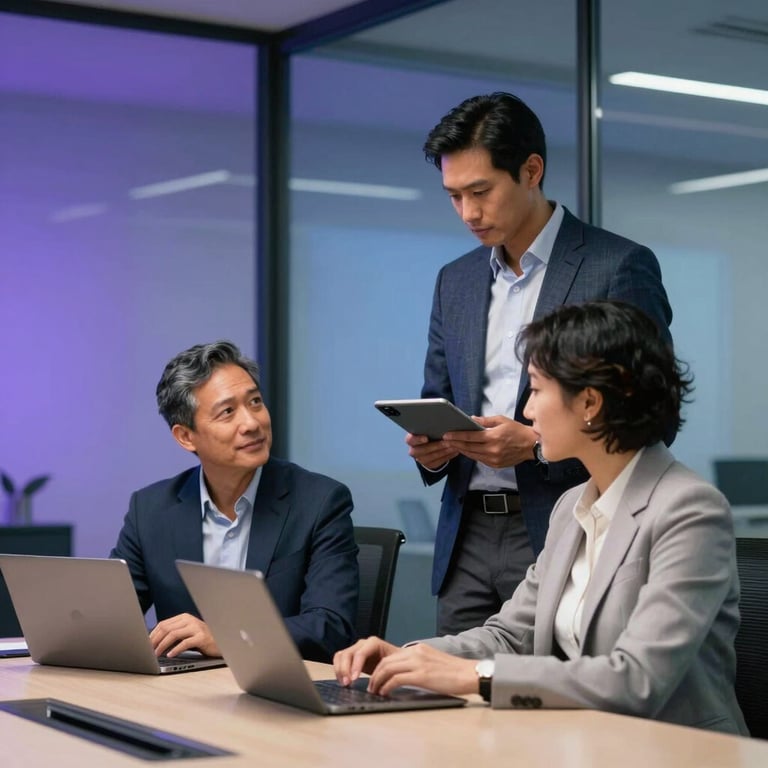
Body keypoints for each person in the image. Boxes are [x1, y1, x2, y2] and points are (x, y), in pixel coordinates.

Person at [335, 300, 747, 735]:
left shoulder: (690, 509)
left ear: (589, 401)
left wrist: (475, 677)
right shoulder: (571, 506)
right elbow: (511, 635)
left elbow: (637, 679)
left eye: (535, 389)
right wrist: (409, 656)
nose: (527, 412)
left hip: (678, 750)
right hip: (583, 742)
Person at [409, 92, 673, 634]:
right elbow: (439, 393)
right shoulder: (455, 280)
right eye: (454, 196)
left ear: (532, 170)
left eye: (480, 191)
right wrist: (432, 448)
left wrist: (532, 446)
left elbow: (653, 414)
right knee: (447, 705)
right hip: (466, 537)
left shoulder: (616, 266)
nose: (468, 213)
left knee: (552, 704)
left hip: (571, 522)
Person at [111, 340, 359, 663]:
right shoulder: (151, 510)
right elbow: (111, 620)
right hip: (182, 700)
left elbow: (330, 627)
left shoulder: (320, 502)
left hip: (279, 696)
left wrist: (228, 639)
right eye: (228, 412)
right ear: (186, 437)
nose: (252, 423)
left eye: (255, 402)